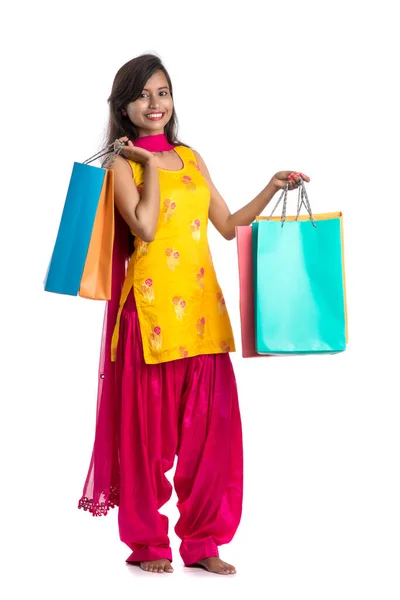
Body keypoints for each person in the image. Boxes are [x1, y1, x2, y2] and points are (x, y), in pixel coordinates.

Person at [78, 53, 310, 575]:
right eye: (143, 94)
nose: (155, 103)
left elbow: (227, 225)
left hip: (204, 314)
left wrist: (272, 187)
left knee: (212, 440)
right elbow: (144, 227)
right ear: (123, 105)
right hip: (151, 317)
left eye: (163, 92)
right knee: (148, 441)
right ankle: (148, 544)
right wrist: (146, 162)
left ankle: (203, 542)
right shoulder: (121, 164)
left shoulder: (191, 157)